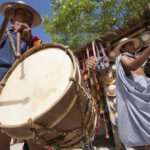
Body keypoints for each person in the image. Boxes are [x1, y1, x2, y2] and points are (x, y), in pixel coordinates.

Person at [0, 1, 46, 150]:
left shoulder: (35, 42)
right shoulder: (4, 34)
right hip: (2, 90)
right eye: (23, 14)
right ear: (11, 17)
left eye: (30, 17)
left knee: (37, 138)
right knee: (1, 141)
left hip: (26, 94)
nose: (27, 17)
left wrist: (28, 41)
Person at [114, 38, 150, 150]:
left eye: (132, 44)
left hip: (146, 90)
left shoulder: (136, 58)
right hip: (138, 95)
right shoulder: (123, 57)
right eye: (129, 44)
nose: (132, 46)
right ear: (122, 49)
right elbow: (132, 66)